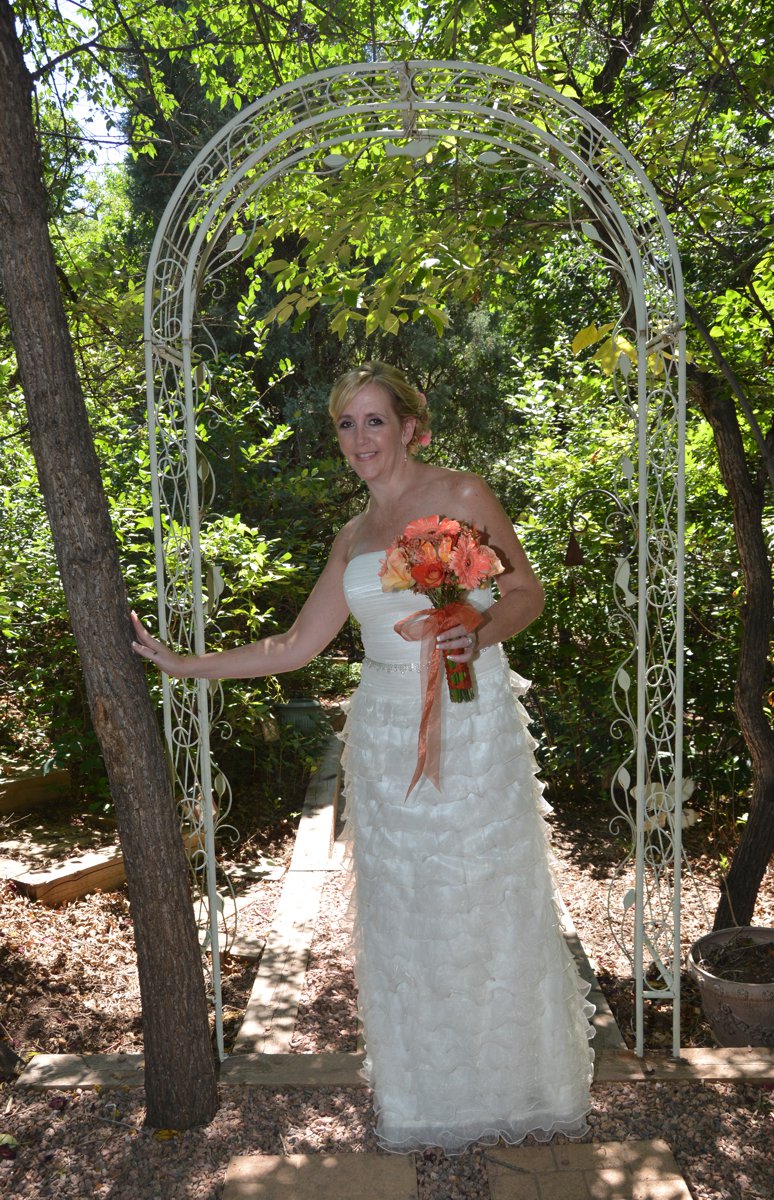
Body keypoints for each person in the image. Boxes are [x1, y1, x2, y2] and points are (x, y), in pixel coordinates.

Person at [132, 361, 594, 1154]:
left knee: (485, 897)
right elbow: (294, 645)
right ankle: (427, 1097)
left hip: (468, 717)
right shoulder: (352, 538)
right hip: (383, 731)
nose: (359, 439)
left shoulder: (462, 495)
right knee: (407, 911)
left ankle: (518, 1082)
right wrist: (184, 665)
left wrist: (474, 630)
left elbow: (526, 593)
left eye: (373, 421)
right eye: (346, 425)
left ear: (410, 426)